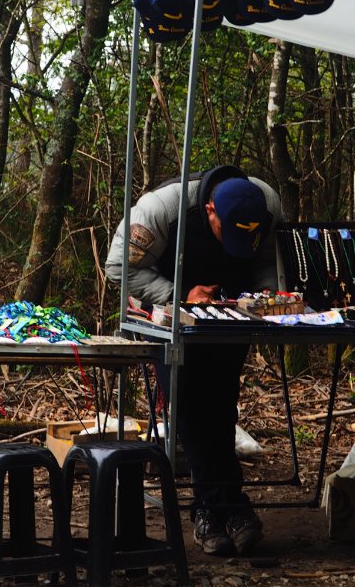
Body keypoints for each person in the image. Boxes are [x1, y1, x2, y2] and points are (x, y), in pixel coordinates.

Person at [106, 165, 282, 555]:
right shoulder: (161, 208)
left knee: (221, 404)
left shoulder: (267, 203)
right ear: (209, 211)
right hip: (166, 313)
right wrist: (181, 294)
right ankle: (223, 507)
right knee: (188, 404)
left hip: (229, 316)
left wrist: (266, 299)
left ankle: (215, 509)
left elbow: (268, 260)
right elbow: (119, 268)